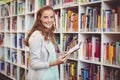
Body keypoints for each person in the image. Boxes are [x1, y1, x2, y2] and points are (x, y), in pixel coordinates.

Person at [24, 5, 70, 80]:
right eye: (45, 17)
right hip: (41, 76)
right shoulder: (36, 36)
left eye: (52, 17)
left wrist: (59, 55)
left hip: (51, 74)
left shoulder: (48, 34)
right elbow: (34, 64)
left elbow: (47, 55)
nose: (49, 20)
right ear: (39, 18)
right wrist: (55, 62)